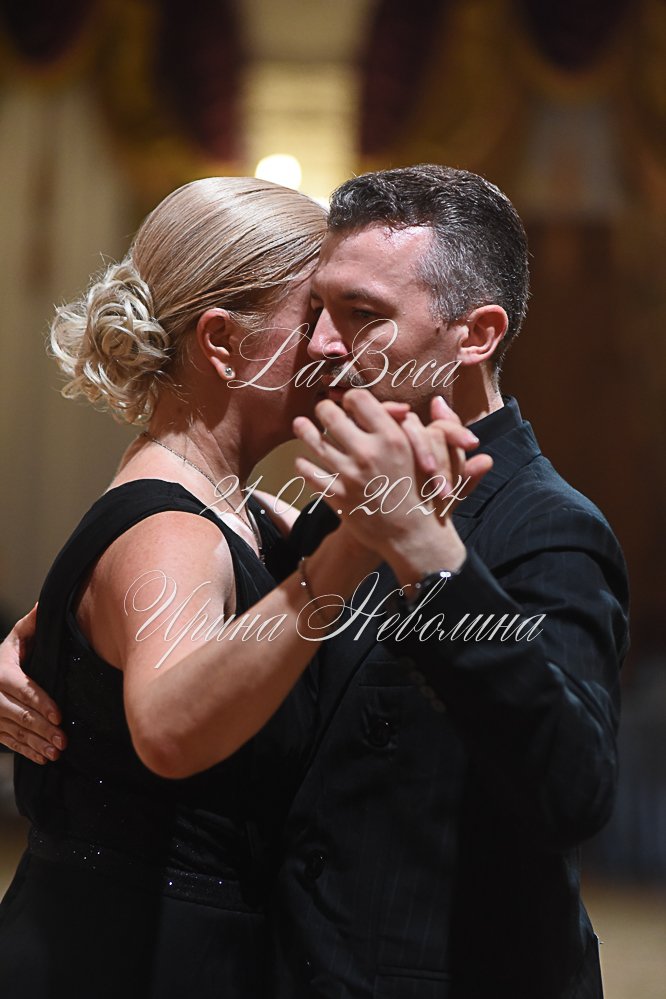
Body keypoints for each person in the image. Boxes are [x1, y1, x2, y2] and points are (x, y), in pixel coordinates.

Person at [2, 166, 629, 999]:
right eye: (316, 313)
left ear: (475, 335)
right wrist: (45, 643)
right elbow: (157, 593)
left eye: (360, 314)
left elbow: (574, 788)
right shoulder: (330, 514)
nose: (329, 344)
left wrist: (423, 551)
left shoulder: (546, 525)